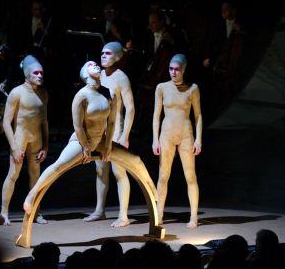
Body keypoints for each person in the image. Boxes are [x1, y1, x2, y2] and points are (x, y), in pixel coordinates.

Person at [23, 61, 156, 218]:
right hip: (81, 141)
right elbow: (78, 126)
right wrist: (85, 147)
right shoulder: (82, 95)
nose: (96, 65)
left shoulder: (108, 93)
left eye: (96, 64)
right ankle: (31, 195)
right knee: (58, 166)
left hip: (101, 141)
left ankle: (154, 192)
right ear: (85, 74)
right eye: (90, 65)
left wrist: (107, 145)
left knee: (136, 161)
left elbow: (112, 122)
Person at [83, 42, 135, 227]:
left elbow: (130, 108)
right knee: (100, 169)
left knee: (118, 170)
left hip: (116, 129)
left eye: (108, 53)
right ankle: (100, 210)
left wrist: (125, 135)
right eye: (102, 53)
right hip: (100, 130)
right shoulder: (100, 75)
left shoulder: (121, 78)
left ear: (118, 56)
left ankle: (123, 215)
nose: (103, 56)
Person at [152, 54, 202, 228]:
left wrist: (199, 140)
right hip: (166, 134)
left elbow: (198, 115)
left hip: (186, 135)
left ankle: (194, 216)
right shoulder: (162, 87)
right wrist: (154, 139)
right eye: (171, 68)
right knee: (163, 176)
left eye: (177, 69)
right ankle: (159, 215)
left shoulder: (192, 89)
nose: (173, 72)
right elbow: (156, 115)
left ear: (184, 69)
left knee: (190, 176)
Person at [0, 55, 49, 225]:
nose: (40, 76)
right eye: (36, 73)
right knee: (13, 174)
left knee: (36, 176)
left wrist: (46, 146)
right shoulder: (16, 92)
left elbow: (44, 121)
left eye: (42, 73)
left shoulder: (43, 94)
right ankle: (4, 212)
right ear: (27, 74)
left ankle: (36, 211)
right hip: (20, 137)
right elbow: (6, 121)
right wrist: (13, 147)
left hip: (37, 140)